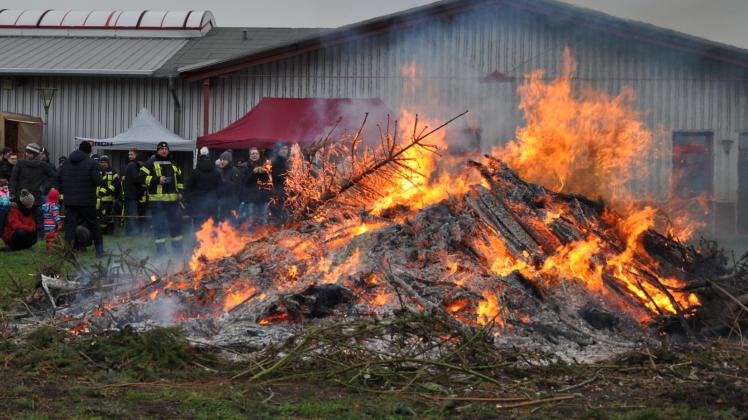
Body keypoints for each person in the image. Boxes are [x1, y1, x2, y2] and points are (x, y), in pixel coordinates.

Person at [58, 141, 105, 258]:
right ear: (89, 151)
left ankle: (68, 252)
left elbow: (59, 178)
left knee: (70, 226)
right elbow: (98, 181)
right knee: (94, 225)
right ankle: (100, 251)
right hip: (87, 200)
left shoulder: (67, 163)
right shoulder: (91, 163)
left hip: (70, 200)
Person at [137, 141, 185, 254]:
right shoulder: (150, 163)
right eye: (162, 149)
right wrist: (157, 180)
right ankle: (161, 251)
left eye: (166, 149)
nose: (164, 151)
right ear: (157, 150)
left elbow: (180, 179)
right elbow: (140, 178)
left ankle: (178, 249)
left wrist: (180, 192)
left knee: (176, 226)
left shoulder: (173, 163)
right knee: (159, 227)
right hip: (157, 203)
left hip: (173, 202)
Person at [9, 143, 55, 239]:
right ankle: (26, 237)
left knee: (36, 219)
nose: (26, 154)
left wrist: (44, 188)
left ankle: (39, 238)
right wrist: (12, 193)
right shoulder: (21, 163)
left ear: (33, 154)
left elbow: (53, 176)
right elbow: (13, 179)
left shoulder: (41, 165)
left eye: (28, 152)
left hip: (31, 197)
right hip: (24, 196)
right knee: (24, 219)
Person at [186, 147, 221, 229]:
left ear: (199, 158)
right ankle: (213, 241)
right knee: (212, 227)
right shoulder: (216, 173)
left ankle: (197, 242)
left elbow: (188, 188)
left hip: (197, 205)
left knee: (198, 228)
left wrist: (189, 201)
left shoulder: (194, 172)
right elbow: (220, 188)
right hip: (212, 205)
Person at [241, 147, 272, 228]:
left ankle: (264, 236)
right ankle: (251, 236)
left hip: (263, 196)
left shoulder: (265, 165)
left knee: (264, 219)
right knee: (251, 220)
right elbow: (245, 182)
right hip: (250, 197)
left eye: (256, 153)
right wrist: (253, 172)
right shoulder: (245, 166)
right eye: (252, 153)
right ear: (249, 155)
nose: (254, 155)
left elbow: (268, 181)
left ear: (259, 155)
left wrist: (263, 172)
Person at [123, 149, 147, 235]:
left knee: (131, 214)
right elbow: (137, 179)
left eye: (131, 154)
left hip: (131, 194)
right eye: (129, 154)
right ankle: (132, 232)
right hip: (131, 195)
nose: (129, 156)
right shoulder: (133, 165)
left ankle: (129, 231)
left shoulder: (133, 165)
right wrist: (144, 185)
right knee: (132, 214)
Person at [95, 155, 121, 234]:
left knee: (108, 216)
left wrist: (107, 192)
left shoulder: (113, 172)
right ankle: (101, 231)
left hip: (109, 198)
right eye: (102, 162)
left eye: (105, 162)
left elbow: (115, 184)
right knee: (99, 215)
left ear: (108, 163)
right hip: (97, 198)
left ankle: (109, 231)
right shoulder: (97, 171)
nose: (103, 164)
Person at [217, 150, 242, 225]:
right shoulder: (221, 171)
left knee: (232, 223)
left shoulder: (235, 170)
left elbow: (237, 186)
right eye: (221, 160)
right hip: (222, 201)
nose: (222, 162)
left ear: (229, 160)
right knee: (222, 222)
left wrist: (224, 182)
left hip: (232, 202)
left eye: (224, 160)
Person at [270, 142, 290, 226]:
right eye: (282, 149)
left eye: (285, 149)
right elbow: (274, 177)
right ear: (278, 151)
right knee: (280, 214)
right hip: (278, 192)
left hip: (287, 192)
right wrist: (287, 176)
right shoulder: (275, 162)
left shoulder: (288, 161)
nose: (284, 151)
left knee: (287, 213)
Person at [41, 187, 62, 252]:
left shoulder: (45, 206)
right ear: (57, 198)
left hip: (46, 226)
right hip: (52, 227)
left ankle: (47, 249)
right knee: (51, 239)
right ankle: (51, 251)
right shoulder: (54, 207)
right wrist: (59, 223)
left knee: (47, 238)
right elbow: (56, 216)